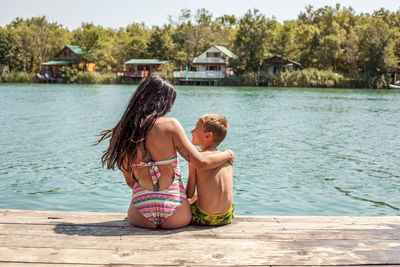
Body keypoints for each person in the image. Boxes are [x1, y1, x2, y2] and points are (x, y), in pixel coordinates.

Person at [95, 75, 234, 229]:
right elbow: (201, 162)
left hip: (141, 213)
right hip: (175, 212)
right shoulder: (171, 125)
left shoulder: (124, 131)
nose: (170, 109)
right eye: (169, 103)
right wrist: (228, 154)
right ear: (161, 102)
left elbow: (130, 182)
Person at [186, 114, 234, 226]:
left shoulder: (197, 159)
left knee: (184, 205)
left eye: (196, 129)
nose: (192, 131)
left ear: (208, 136)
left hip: (204, 217)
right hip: (226, 217)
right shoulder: (227, 158)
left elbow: (189, 193)